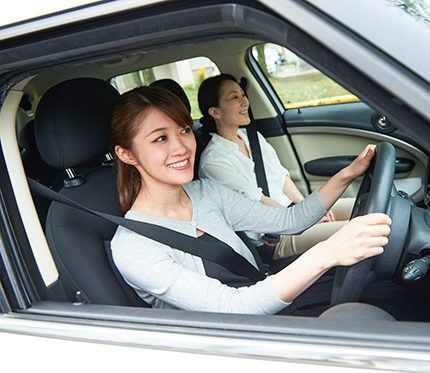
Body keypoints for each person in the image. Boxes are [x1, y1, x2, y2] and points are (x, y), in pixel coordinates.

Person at [109, 86, 391, 315]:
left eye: (184, 130)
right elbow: (234, 307)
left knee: (383, 289)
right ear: (127, 154)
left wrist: (348, 174)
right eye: (160, 139)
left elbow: (290, 220)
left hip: (268, 296)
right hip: (245, 338)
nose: (181, 147)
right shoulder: (133, 247)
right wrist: (326, 253)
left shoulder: (207, 192)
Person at [197, 74, 354, 259]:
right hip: (274, 236)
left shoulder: (251, 138)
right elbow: (257, 200)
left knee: (364, 206)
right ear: (215, 112)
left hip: (293, 214)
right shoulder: (213, 161)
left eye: (242, 94)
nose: (244, 102)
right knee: (355, 231)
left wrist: (307, 209)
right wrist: (304, 218)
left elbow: (281, 177)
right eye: (234, 97)